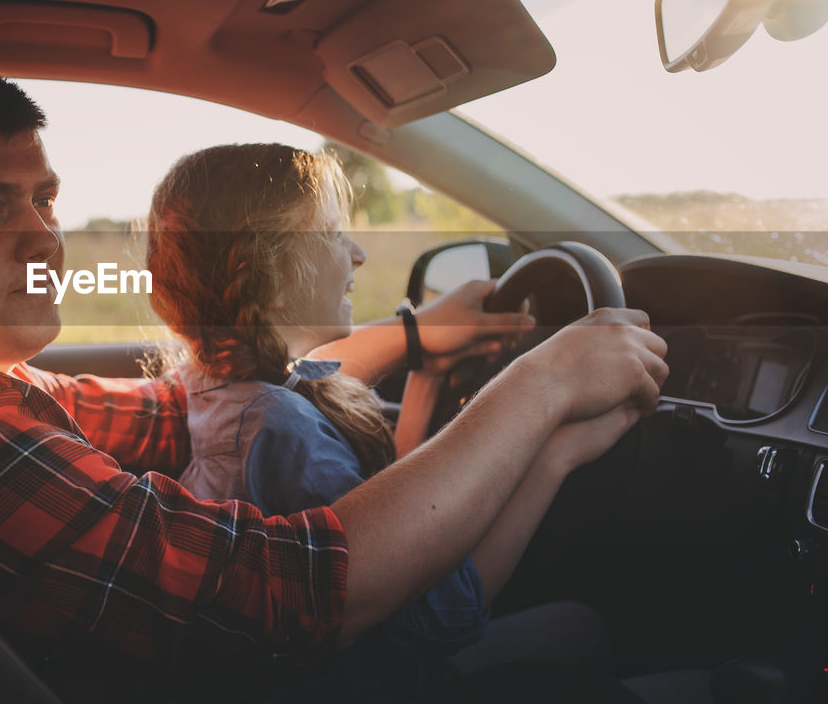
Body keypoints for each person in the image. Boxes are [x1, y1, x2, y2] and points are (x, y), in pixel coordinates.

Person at [0, 68, 669, 703]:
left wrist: (410, 337)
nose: (42, 239)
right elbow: (296, 591)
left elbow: (191, 400)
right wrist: (540, 388)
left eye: (45, 202)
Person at [146, 143, 642, 701]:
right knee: (584, 628)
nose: (356, 254)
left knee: (576, 626)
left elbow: (384, 520)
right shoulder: (282, 427)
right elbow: (443, 614)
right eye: (333, 235)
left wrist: (425, 373)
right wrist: (556, 454)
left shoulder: (219, 387)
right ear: (269, 267)